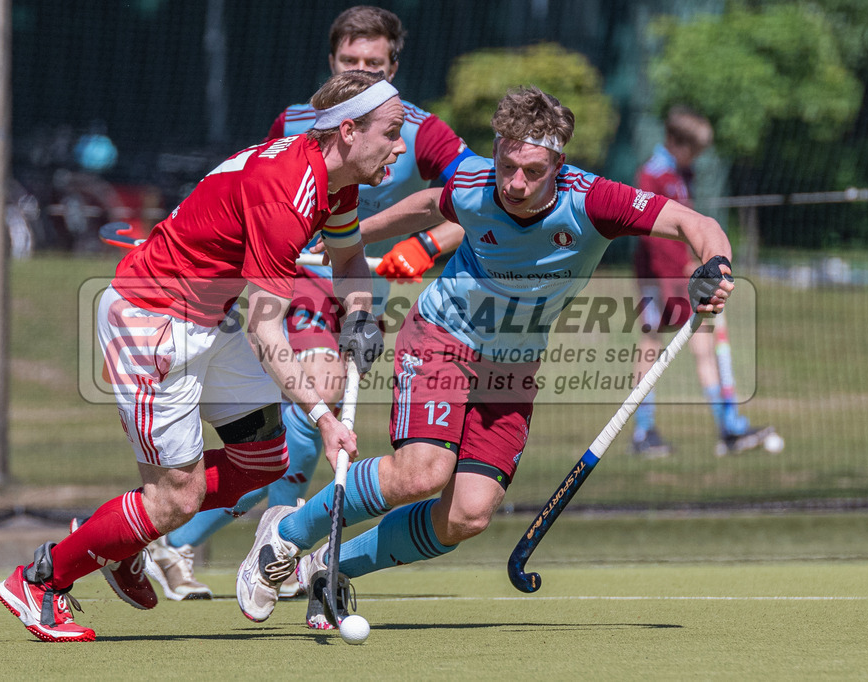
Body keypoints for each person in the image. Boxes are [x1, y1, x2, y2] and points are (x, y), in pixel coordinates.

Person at [235, 85, 736, 630]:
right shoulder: (475, 182)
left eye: (534, 171)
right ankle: (284, 535)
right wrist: (344, 236)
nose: (516, 183)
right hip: (443, 336)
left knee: (468, 514)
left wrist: (715, 265)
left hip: (515, 364)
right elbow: (430, 204)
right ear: (496, 150)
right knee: (421, 474)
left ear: (558, 165)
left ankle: (324, 567)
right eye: (508, 165)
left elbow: (698, 226)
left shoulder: (594, 200)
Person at [0, 70, 404, 642]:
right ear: (349, 130)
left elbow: (349, 255)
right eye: (392, 132)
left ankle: (121, 536)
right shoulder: (285, 191)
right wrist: (324, 417)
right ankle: (43, 578)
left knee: (264, 457)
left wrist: (360, 313)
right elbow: (268, 334)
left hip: (212, 319)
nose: (401, 145)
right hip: (153, 323)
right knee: (177, 498)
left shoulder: (337, 180)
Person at [143, 5, 473, 602]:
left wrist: (426, 246)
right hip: (295, 280)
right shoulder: (300, 121)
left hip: (360, 283)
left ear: (395, 64)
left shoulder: (422, 130)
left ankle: (202, 538)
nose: (364, 72)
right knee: (315, 395)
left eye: (376, 63)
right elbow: (254, 202)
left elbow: (476, 197)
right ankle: (269, 545)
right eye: (352, 62)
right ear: (333, 63)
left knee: (294, 426)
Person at [629, 105, 773, 458]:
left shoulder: (681, 173)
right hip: (657, 277)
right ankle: (645, 431)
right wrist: (674, 283)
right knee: (652, 344)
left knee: (700, 345)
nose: (696, 158)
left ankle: (729, 426)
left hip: (680, 274)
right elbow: (652, 235)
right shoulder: (654, 175)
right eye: (693, 150)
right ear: (676, 142)